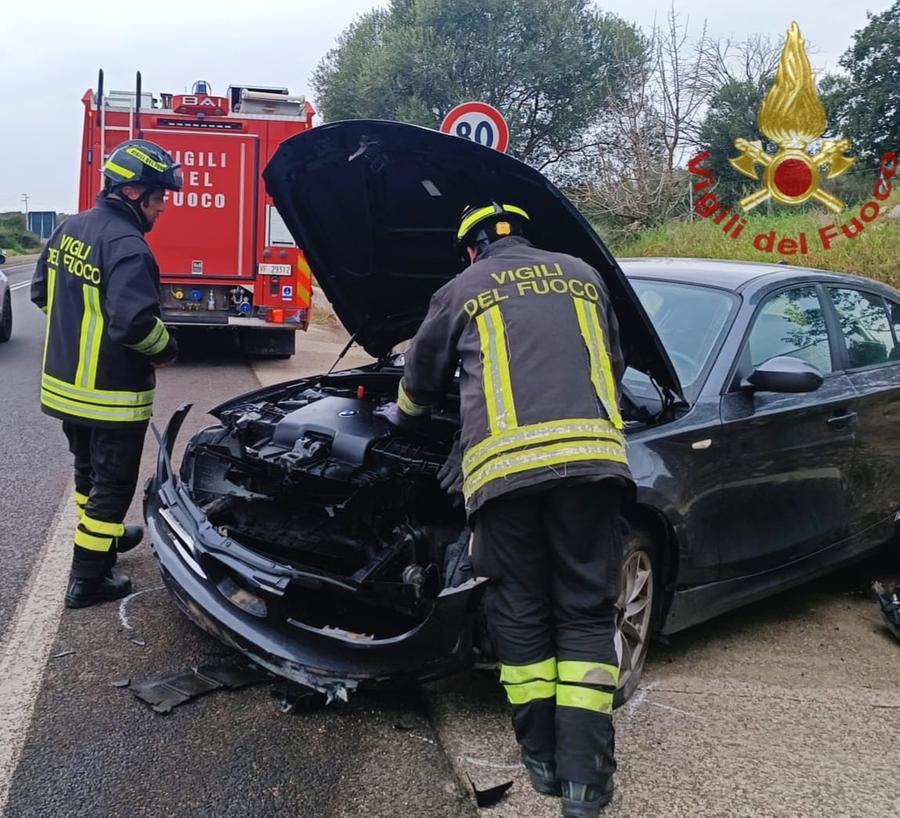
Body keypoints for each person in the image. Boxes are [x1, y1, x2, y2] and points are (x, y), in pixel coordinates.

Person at [378, 202, 633, 818]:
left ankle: (541, 760)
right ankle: (586, 787)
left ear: (470, 249)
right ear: (524, 237)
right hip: (593, 469)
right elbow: (613, 364)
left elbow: (421, 377)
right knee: (585, 614)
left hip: (505, 477)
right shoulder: (583, 274)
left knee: (518, 609)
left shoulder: (463, 287)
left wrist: (404, 419)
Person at [31, 139, 182, 609]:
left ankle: (106, 539)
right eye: (158, 199)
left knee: (87, 472)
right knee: (112, 487)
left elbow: (41, 293)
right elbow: (135, 323)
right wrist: (167, 348)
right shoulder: (128, 246)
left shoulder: (69, 228)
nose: (162, 210)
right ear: (134, 191)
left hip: (65, 388)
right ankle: (88, 579)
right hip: (111, 395)